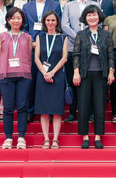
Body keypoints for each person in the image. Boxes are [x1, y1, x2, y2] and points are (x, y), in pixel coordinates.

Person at [73, 5, 115, 149]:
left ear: (99, 17)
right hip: (84, 74)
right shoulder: (81, 34)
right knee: (83, 106)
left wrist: (111, 71)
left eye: (95, 15)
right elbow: (76, 54)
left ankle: (97, 136)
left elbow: (110, 54)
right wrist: (76, 71)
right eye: (89, 15)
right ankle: (85, 136)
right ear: (85, 18)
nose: (92, 17)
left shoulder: (106, 35)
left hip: (101, 74)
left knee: (99, 106)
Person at [23, 0, 62, 122]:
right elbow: (24, 28)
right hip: (32, 48)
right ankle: (30, 111)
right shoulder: (27, 6)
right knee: (31, 80)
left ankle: (49, 111)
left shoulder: (55, 5)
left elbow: (58, 26)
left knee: (49, 80)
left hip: (50, 49)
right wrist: (32, 42)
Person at [61, 0, 99, 123]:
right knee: (73, 81)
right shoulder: (69, 6)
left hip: (90, 48)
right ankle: (72, 113)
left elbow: (98, 23)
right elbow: (64, 25)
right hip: (72, 47)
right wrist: (79, 38)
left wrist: (87, 38)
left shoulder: (95, 4)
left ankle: (89, 112)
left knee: (87, 81)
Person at [0, 7, 33, 149]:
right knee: (8, 108)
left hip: (23, 76)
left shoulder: (27, 37)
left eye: (19, 18)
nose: (16, 20)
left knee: (22, 107)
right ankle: (9, 137)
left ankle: (21, 137)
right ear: (8, 20)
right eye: (13, 18)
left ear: (22, 20)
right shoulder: (2, 36)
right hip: (6, 76)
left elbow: (28, 55)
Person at [34, 11, 68, 149]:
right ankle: (46, 139)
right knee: (44, 109)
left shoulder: (63, 38)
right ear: (44, 22)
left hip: (57, 75)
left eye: (53, 20)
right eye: (48, 20)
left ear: (57, 22)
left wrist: (52, 72)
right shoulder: (39, 37)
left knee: (56, 109)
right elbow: (36, 57)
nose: (50, 23)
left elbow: (64, 58)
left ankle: (55, 139)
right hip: (42, 76)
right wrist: (44, 73)